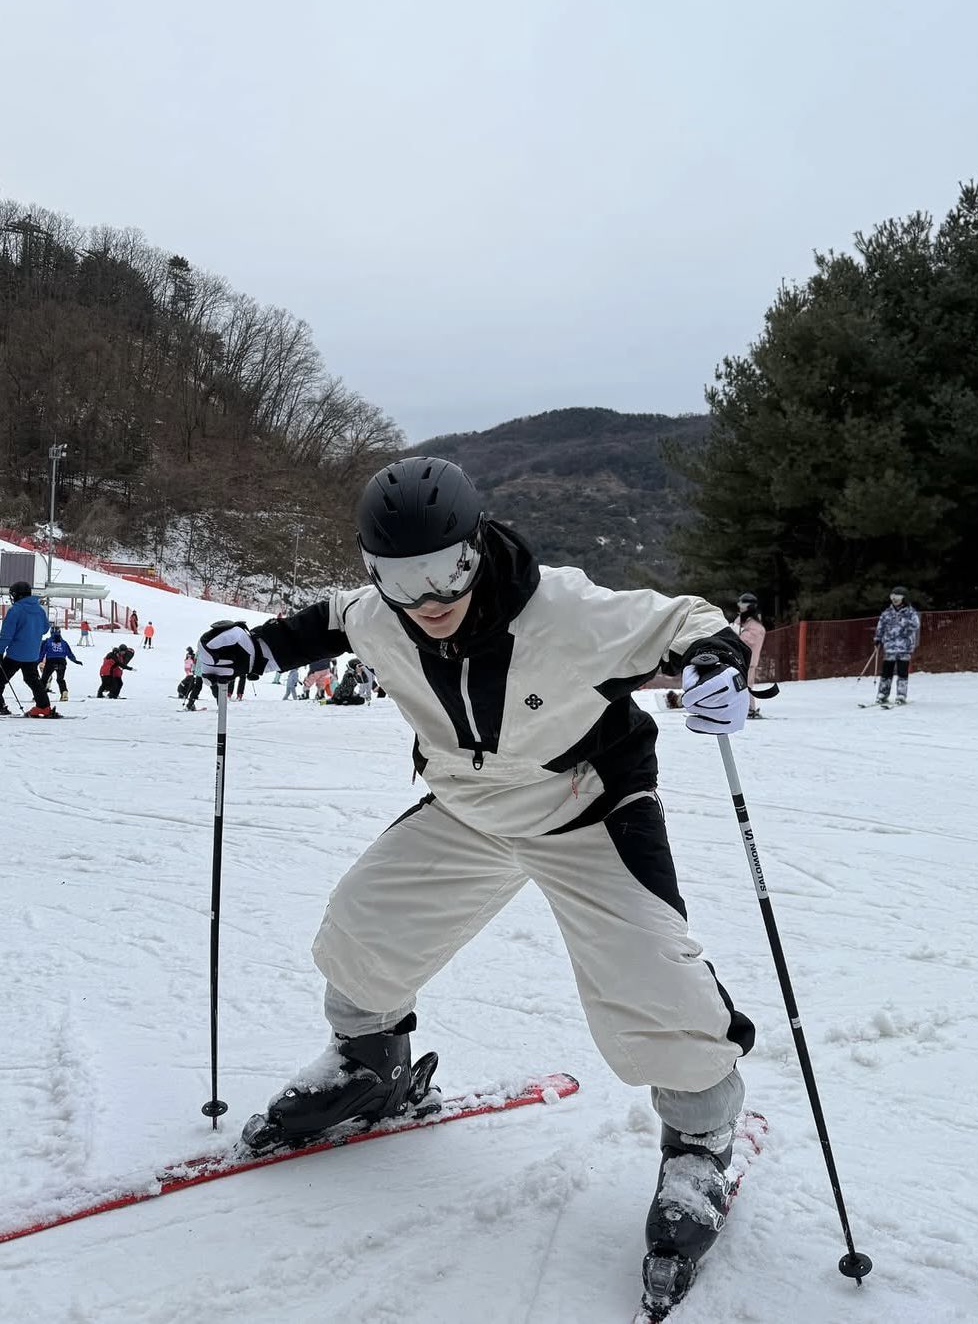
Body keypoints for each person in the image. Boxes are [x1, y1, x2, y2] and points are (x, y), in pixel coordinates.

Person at [199, 457, 756, 1300]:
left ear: (477, 544)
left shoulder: (566, 610)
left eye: (446, 569)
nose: (427, 596)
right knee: (361, 928)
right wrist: (255, 644)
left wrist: (718, 665)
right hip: (468, 808)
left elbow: (686, 621)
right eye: (399, 576)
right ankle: (370, 1063)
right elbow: (324, 622)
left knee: (650, 978)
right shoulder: (381, 614)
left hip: (585, 808)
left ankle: (699, 1143)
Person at [0, 582, 52, 717]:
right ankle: (44, 706)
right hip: (32, 654)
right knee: (32, 680)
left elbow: (6, 635)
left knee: (0, 678)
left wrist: (0, 651)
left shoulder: (15, 610)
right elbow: (46, 629)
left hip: (15, 654)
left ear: (17, 595)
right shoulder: (39, 610)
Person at [874, 585, 920, 705]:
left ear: (904, 598)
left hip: (904, 647)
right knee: (886, 672)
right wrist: (878, 639)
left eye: (898, 597)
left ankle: (901, 694)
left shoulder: (910, 612)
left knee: (902, 671)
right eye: (892, 597)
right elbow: (881, 626)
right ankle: (883, 693)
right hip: (890, 647)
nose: (894, 599)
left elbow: (916, 625)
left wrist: (903, 621)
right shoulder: (887, 613)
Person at [731, 594, 767, 719]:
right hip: (737, 659)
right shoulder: (741, 620)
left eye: (742, 604)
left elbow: (746, 640)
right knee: (736, 684)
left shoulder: (755, 625)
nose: (739, 606)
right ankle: (739, 708)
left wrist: (736, 634)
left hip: (749, 661)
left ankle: (750, 709)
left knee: (745, 684)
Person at [39, 626, 83, 702]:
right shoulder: (64, 643)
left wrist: (37, 661)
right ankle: (64, 693)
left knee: (44, 679)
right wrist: (75, 661)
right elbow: (69, 654)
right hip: (62, 662)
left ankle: (39, 695)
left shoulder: (47, 641)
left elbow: (42, 653)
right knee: (60, 679)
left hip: (51, 662)